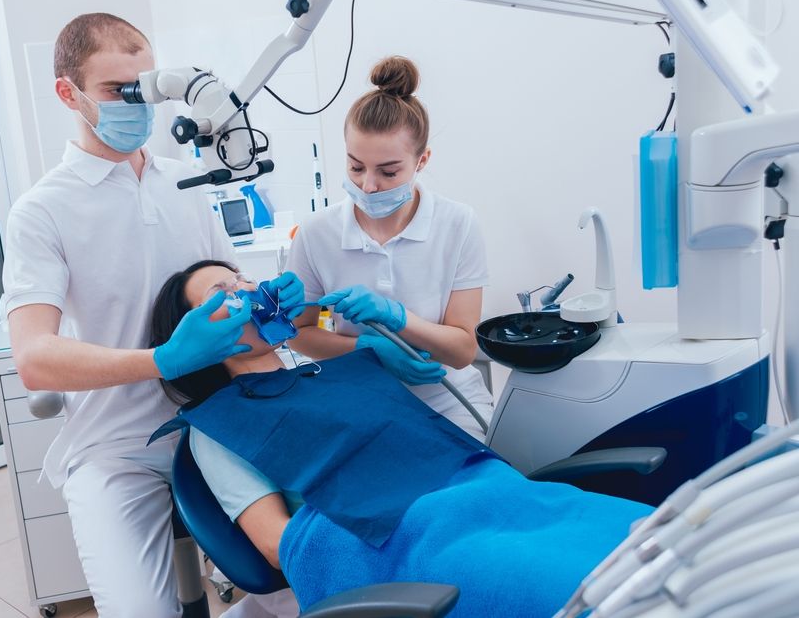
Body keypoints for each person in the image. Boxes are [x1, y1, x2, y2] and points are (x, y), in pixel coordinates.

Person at [1, 13, 303, 618]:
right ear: (68, 93)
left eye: (144, 88)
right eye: (117, 91)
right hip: (117, 443)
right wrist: (162, 360)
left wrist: (271, 300)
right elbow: (33, 358)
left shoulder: (189, 183)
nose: (136, 104)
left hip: (222, 414)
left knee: (312, 582)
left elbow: (227, 289)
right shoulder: (43, 210)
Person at [149, 261, 654, 618]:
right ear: (194, 335)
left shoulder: (332, 372)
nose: (245, 288)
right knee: (590, 589)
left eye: (241, 277)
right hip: (414, 540)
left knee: (656, 545)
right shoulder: (216, 428)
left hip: (499, 498)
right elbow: (278, 545)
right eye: (222, 290)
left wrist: (382, 335)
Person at [286, 56, 491, 441]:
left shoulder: (457, 223)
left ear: (422, 160)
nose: (368, 185)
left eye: (389, 171)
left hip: (449, 403)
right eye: (355, 167)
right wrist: (368, 349)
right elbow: (299, 333)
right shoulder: (316, 233)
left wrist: (398, 318)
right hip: (358, 400)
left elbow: (463, 350)